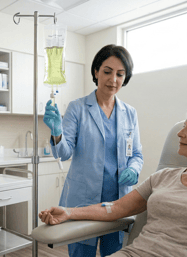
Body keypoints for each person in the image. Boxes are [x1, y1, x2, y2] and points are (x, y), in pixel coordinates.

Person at [40, 101, 187, 257]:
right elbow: (117, 208)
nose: (180, 133)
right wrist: (69, 212)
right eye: (184, 126)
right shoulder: (163, 177)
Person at [42, 44, 144, 257]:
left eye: (120, 74)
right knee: (81, 253)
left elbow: (136, 154)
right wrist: (57, 133)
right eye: (107, 72)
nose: (113, 80)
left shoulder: (130, 113)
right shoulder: (77, 108)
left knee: (115, 253)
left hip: (116, 203)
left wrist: (134, 170)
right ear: (96, 72)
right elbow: (64, 153)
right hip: (83, 201)